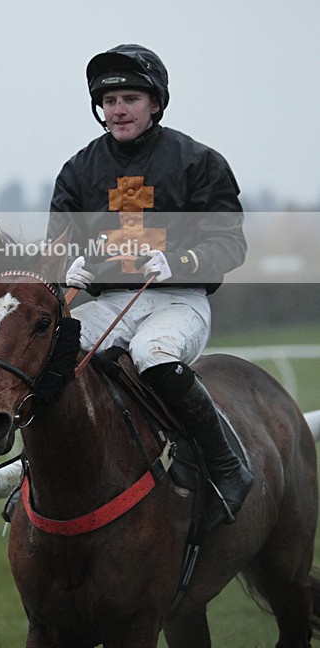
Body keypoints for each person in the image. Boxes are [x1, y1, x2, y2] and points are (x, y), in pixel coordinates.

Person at [48, 43, 253, 529]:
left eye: (130, 98)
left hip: (180, 300)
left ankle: (225, 466)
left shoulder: (199, 161)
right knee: (55, 354)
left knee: (153, 354)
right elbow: (57, 245)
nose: (117, 109)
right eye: (109, 100)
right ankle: (42, 479)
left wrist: (181, 261)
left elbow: (230, 244)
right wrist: (66, 268)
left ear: (155, 103)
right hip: (111, 301)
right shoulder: (78, 170)